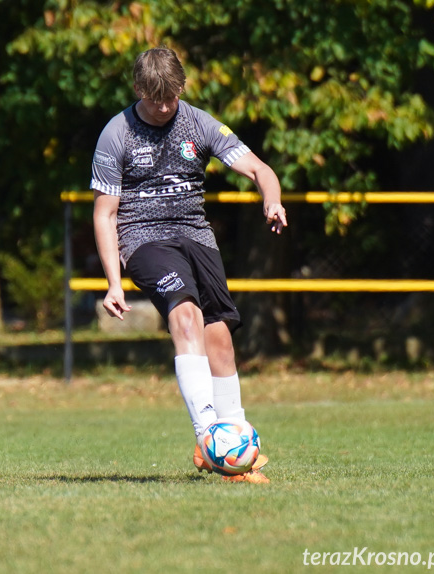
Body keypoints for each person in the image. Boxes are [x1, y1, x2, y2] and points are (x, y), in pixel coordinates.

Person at [90, 47, 287, 484]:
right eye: (154, 98)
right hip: (143, 239)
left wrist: (271, 200)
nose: (162, 107)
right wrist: (114, 284)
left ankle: (237, 445)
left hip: (196, 235)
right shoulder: (116, 133)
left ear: (181, 88)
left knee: (218, 335)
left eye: (170, 97)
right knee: (185, 313)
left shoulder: (199, 122)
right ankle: (209, 439)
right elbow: (104, 214)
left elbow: (259, 169)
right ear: (139, 89)